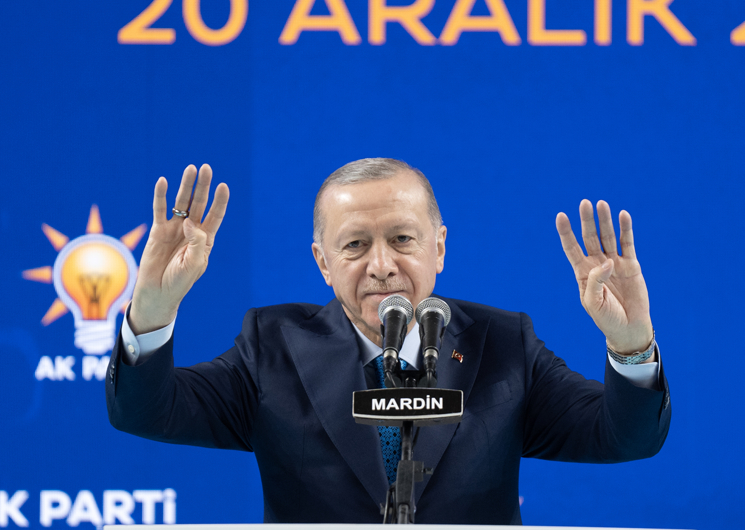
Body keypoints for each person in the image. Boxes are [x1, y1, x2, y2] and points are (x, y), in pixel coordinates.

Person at [106, 158, 670, 524]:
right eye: (355, 245)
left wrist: (631, 345)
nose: (381, 266)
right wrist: (152, 311)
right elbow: (147, 411)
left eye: (402, 238)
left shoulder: (502, 345)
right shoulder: (272, 347)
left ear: (438, 248)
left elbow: (625, 437)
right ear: (323, 263)